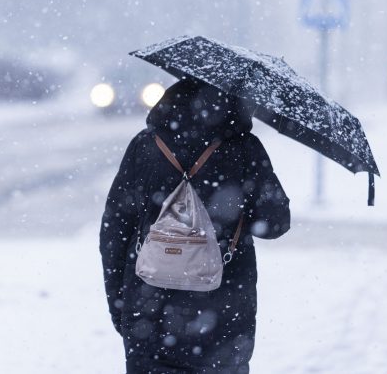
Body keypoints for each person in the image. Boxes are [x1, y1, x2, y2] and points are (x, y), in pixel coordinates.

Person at [99, 78, 290, 373]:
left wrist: (120, 305)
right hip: (224, 311)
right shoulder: (244, 149)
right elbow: (276, 223)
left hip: (148, 310)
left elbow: (115, 229)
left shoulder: (146, 145)